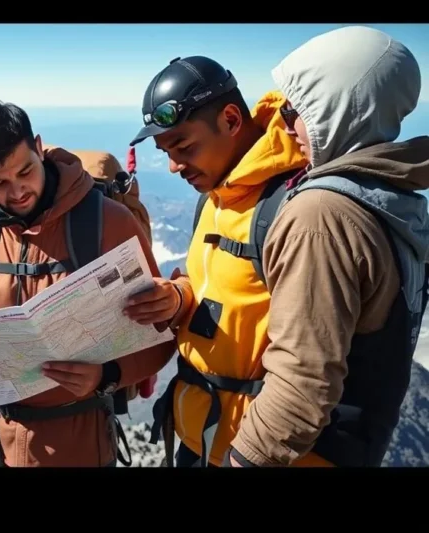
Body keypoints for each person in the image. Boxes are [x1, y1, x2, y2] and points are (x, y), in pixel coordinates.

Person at [133, 28, 429, 468]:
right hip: (212, 439)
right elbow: (229, 293)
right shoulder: (221, 194)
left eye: (298, 108)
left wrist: (245, 459)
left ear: (231, 121)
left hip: (264, 453)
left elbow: (304, 377)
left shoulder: (315, 212)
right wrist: (179, 297)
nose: (285, 123)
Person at [0, 101, 179, 467]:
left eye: (25, 172)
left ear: (38, 146)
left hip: (77, 444)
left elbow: (157, 329)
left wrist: (106, 375)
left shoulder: (107, 221)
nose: (17, 191)